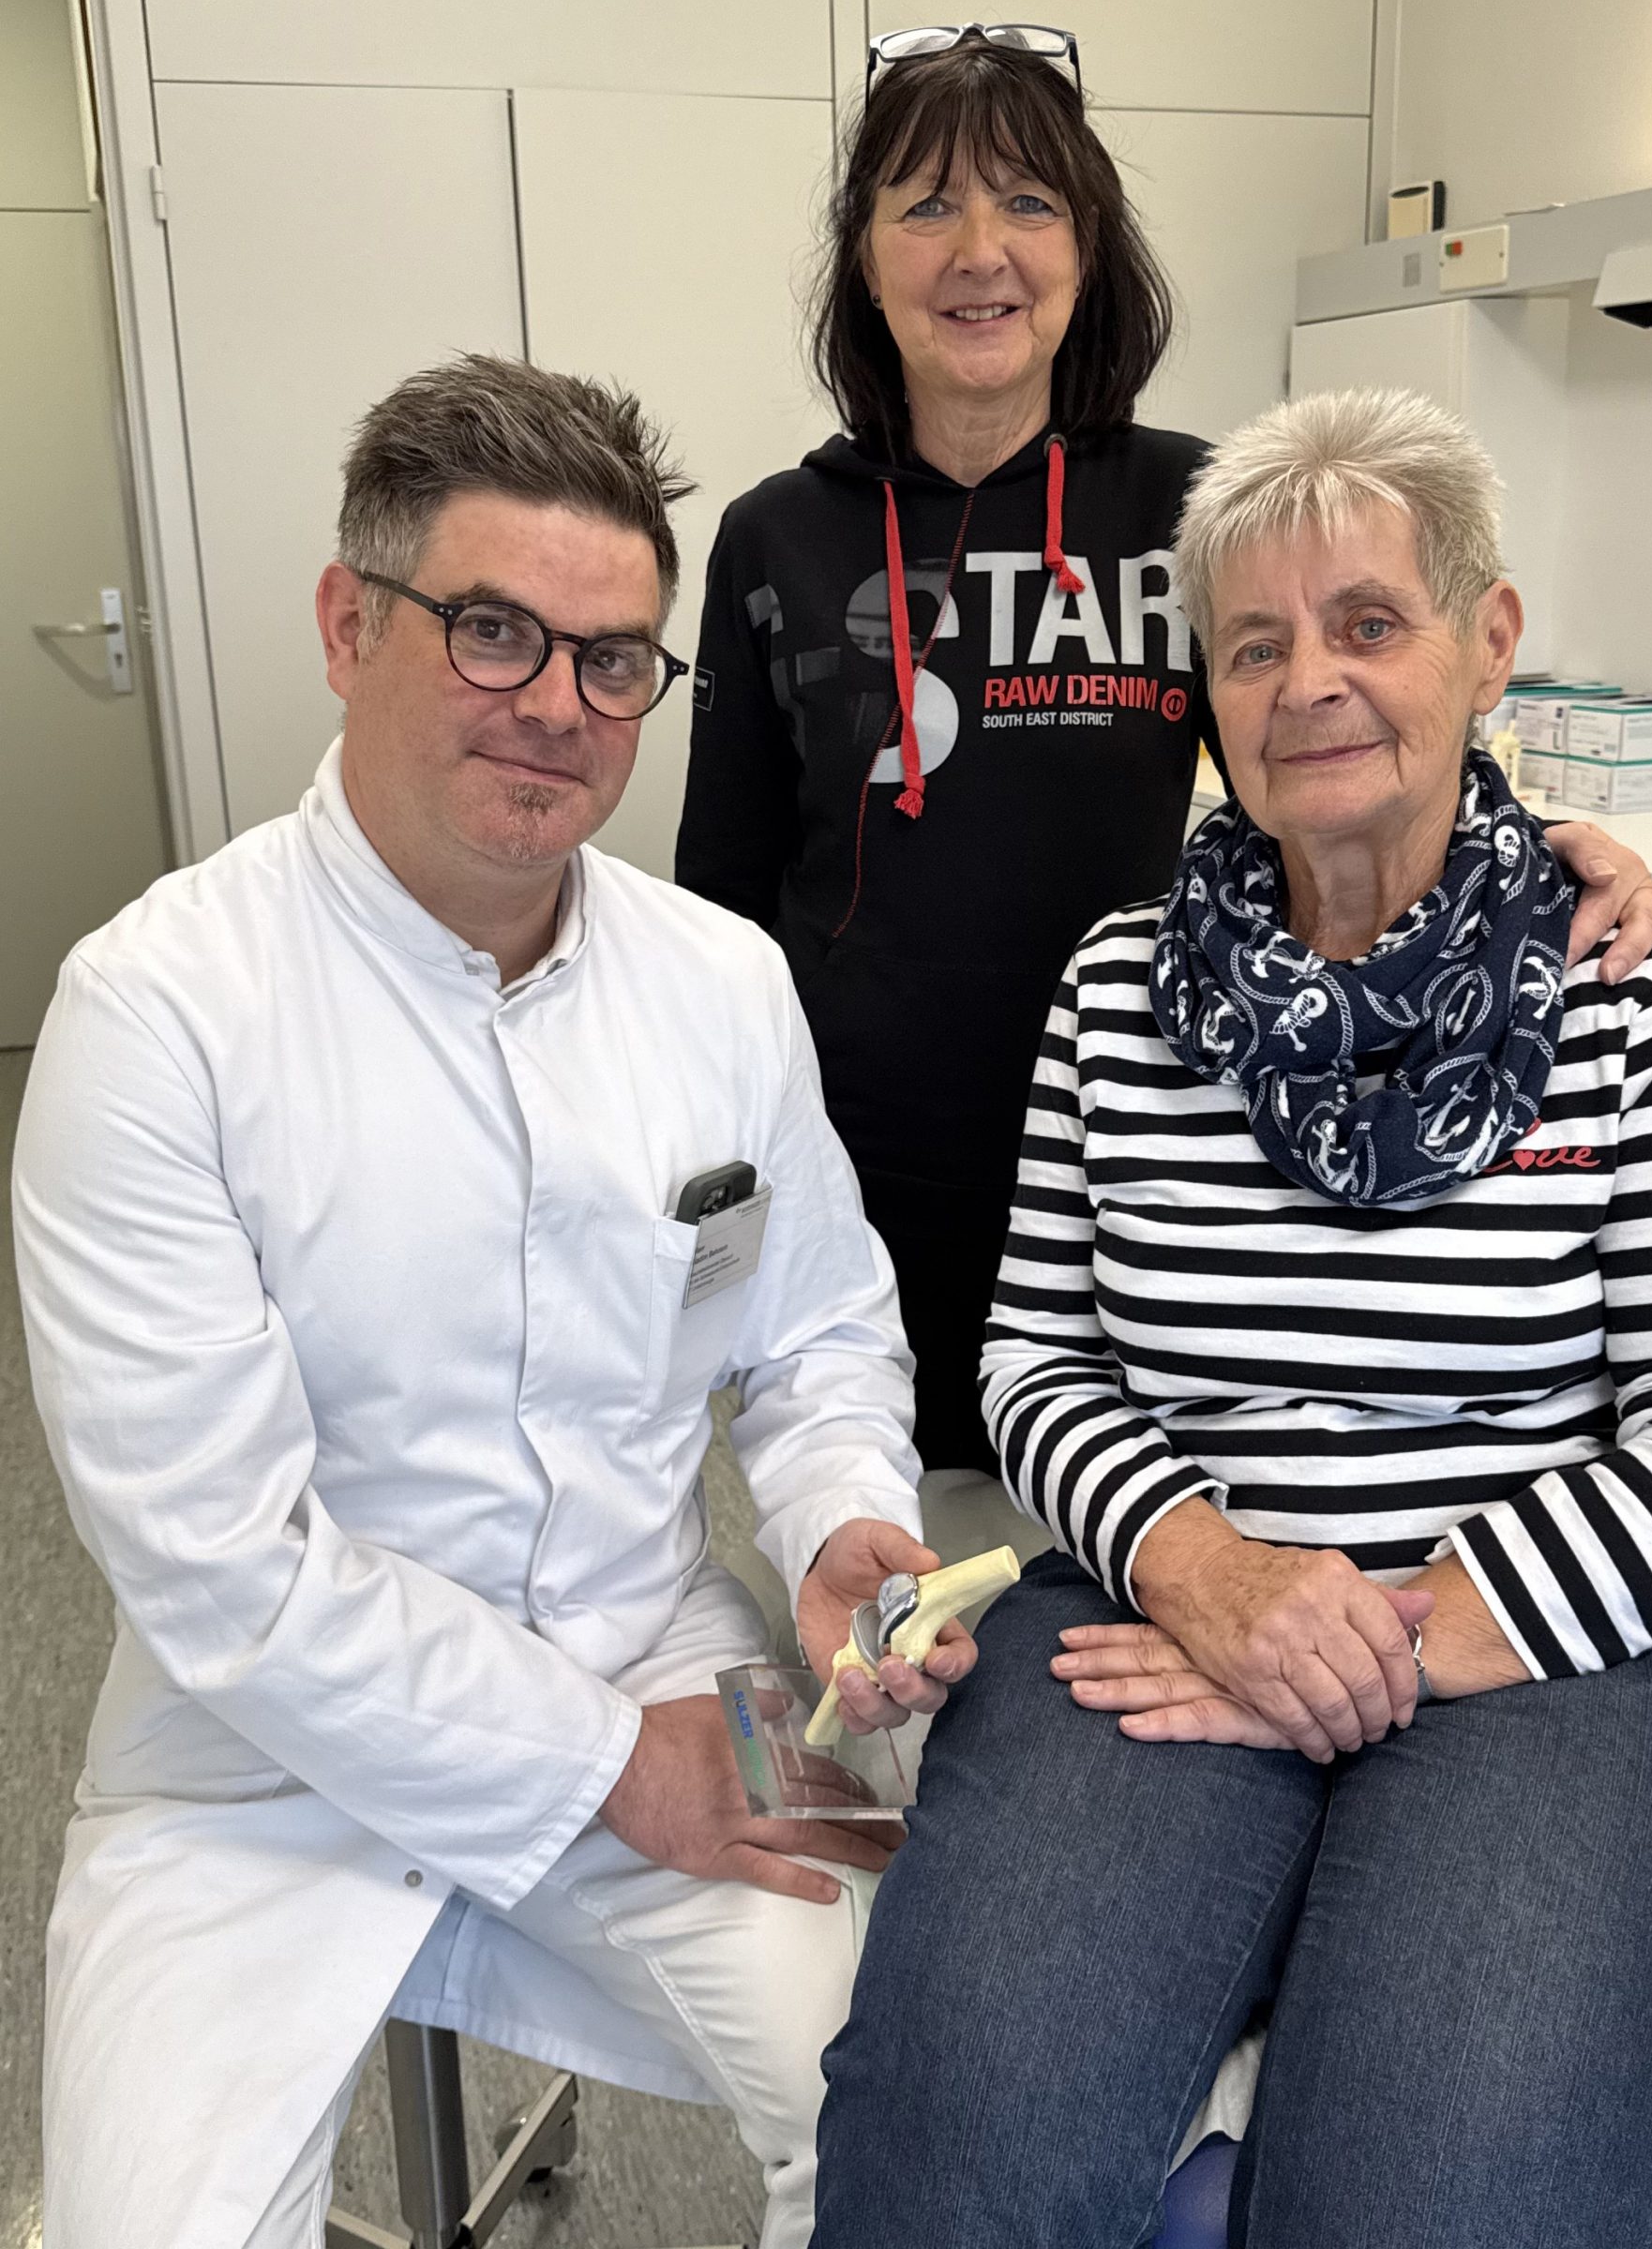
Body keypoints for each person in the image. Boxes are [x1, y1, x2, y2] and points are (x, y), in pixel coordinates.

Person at [809, 388, 1652, 2249]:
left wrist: (1377, 1638)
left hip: (1557, 1656)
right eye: (1254, 644)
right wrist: (1205, 1572)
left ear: (1485, 644)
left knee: (1422, 2201)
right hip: (1160, 1617)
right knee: (954, 2152)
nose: (1309, 683)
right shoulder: (1118, 988)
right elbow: (1034, 1362)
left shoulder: (1615, 983)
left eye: (1368, 622)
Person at [13, 354, 974, 2249]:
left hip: (661, 1661)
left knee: (935, 2107)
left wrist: (841, 1522)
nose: (556, 706)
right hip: (253, 1759)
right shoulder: (156, 1015)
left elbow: (814, 1335)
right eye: (491, 631)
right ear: (346, 624)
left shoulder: (719, 984)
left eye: (612, 659)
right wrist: (607, 1768)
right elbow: (223, 1568)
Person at [675, 24, 1652, 1483]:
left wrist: (1555, 858)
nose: (979, 250)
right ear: (863, 254)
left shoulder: (1189, 507)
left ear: (1087, 248)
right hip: (856, 1168)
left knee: (1114, 1515)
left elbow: (1342, 761)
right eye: (925, 204)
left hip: (1157, 1149)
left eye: (1028, 202)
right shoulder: (774, 535)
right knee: (885, 1540)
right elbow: (716, 897)